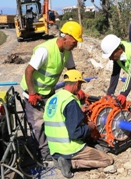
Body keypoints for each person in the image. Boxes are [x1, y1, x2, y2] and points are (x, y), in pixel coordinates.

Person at [20, 21, 86, 161]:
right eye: (74, 41)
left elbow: (72, 70)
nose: (75, 45)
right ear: (65, 37)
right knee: (38, 124)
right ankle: (45, 155)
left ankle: (55, 147)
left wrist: (78, 88)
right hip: (34, 94)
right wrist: (32, 93)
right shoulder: (45, 50)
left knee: (51, 121)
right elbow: (29, 70)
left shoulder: (67, 52)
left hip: (48, 92)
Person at [43, 70, 114, 178]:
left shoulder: (53, 99)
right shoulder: (70, 101)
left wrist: (78, 111)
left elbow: (61, 117)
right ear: (77, 84)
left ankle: (59, 160)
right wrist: (89, 127)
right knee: (108, 160)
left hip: (54, 148)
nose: (80, 87)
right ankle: (71, 163)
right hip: (69, 148)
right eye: (80, 84)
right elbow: (75, 133)